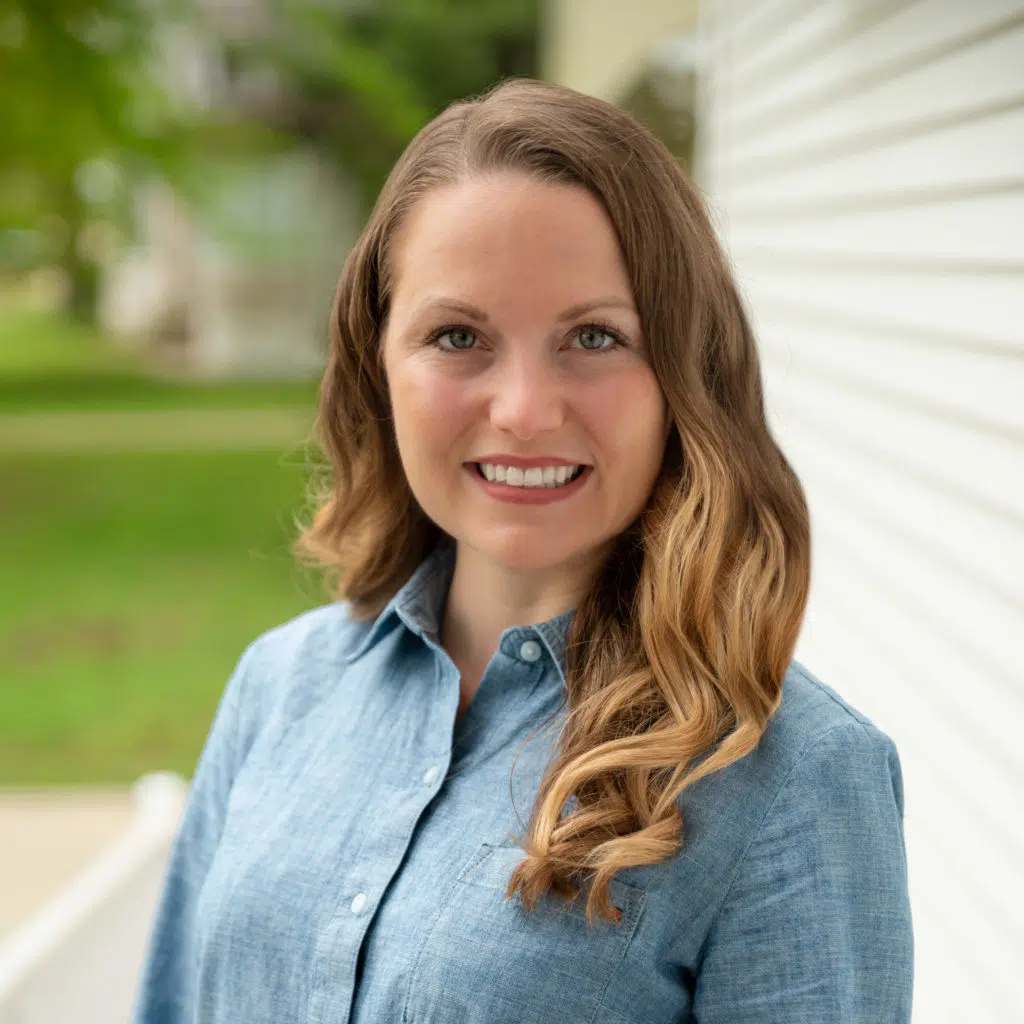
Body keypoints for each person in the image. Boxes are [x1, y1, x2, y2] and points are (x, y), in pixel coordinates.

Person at [132, 78, 913, 1024]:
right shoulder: (280, 686)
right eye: (458, 335)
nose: (525, 412)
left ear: (686, 370)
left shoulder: (794, 781)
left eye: (595, 336)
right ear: (379, 362)